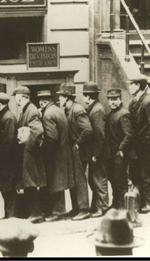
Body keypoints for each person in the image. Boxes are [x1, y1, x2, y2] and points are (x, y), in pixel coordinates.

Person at [37, 90, 75, 222]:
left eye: (41, 101)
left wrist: (43, 150)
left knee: (55, 182)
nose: (40, 103)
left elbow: (52, 138)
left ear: (44, 102)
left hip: (55, 154)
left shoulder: (47, 114)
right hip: (63, 151)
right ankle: (57, 211)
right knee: (59, 181)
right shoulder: (57, 110)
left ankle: (58, 212)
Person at [11, 86, 46, 223]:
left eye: (16, 97)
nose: (15, 100)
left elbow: (37, 131)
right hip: (27, 155)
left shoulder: (30, 111)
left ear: (21, 97)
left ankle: (36, 214)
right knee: (28, 184)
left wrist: (28, 147)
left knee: (30, 184)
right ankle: (32, 212)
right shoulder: (27, 110)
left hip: (29, 155)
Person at [58, 84, 91, 221]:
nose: (59, 99)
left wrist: (78, 144)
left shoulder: (77, 110)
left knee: (79, 179)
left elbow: (88, 130)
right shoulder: (68, 109)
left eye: (61, 96)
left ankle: (84, 209)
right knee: (73, 179)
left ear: (66, 98)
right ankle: (77, 208)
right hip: (73, 149)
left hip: (79, 150)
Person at [127, 74, 150, 213]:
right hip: (136, 145)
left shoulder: (148, 102)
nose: (129, 86)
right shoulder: (133, 102)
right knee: (137, 173)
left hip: (145, 145)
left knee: (147, 173)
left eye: (131, 84)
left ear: (138, 85)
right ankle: (140, 202)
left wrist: (147, 140)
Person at [82, 82, 110, 217]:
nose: (83, 98)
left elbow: (100, 135)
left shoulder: (97, 110)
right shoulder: (94, 107)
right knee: (94, 181)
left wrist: (95, 154)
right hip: (96, 152)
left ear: (88, 96)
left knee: (99, 180)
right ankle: (97, 206)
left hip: (99, 153)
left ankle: (103, 208)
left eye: (84, 95)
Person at [105, 88, 134, 209]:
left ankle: (122, 205)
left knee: (120, 180)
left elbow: (129, 134)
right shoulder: (110, 114)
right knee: (112, 179)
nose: (112, 102)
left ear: (120, 99)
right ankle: (116, 202)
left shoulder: (124, 114)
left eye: (115, 99)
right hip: (112, 153)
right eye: (110, 99)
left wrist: (121, 149)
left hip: (120, 154)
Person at [0, 92, 19, 219]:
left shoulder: (8, 118)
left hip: (7, 162)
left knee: (8, 190)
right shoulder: (4, 115)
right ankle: (9, 215)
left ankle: (11, 216)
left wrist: (1, 159)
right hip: (6, 161)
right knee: (6, 189)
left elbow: (8, 143)